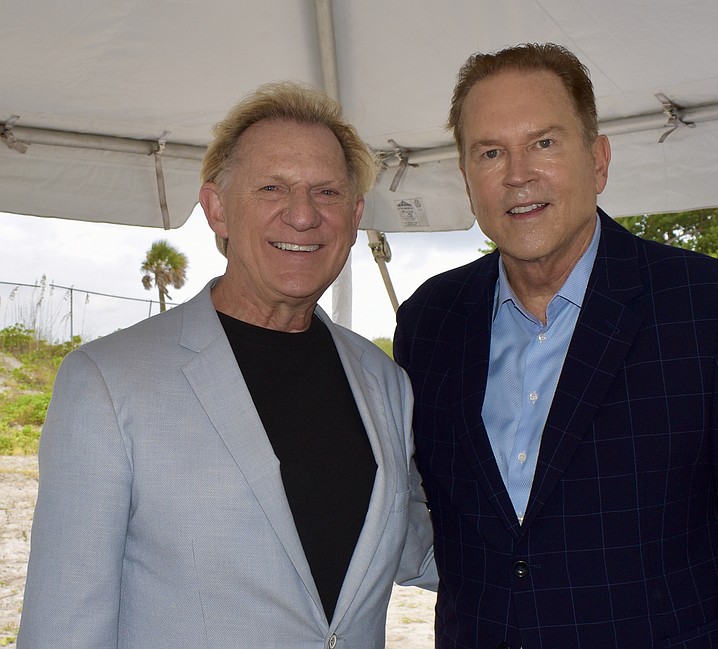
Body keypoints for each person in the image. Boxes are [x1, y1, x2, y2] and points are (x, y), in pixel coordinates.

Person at [394, 43, 718, 648]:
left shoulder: (706, 308)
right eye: (490, 152)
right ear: (467, 178)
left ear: (598, 160)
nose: (517, 173)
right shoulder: (429, 322)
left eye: (544, 143)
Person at [19, 81, 435, 649]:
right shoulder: (107, 382)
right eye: (272, 187)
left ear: (356, 214)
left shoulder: (384, 381)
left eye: (328, 192)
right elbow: (63, 629)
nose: (303, 215)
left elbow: (414, 546)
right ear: (216, 208)